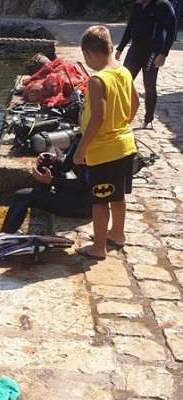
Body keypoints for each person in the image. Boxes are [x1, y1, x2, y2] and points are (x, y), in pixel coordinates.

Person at [74, 26, 139, 260]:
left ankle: (99, 247)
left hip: (104, 151)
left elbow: (98, 118)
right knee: (118, 195)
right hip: (125, 145)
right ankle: (117, 234)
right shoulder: (124, 71)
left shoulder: (97, 80)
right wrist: (122, 124)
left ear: (88, 54)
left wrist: (81, 148)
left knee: (100, 200)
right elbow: (136, 103)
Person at [0, 142, 90, 234]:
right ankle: (44, 194)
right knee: (50, 153)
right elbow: (66, 165)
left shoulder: (95, 145)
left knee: (21, 196)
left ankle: (4, 236)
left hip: (84, 204)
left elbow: (84, 185)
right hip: (77, 189)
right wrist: (52, 159)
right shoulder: (82, 137)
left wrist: (51, 181)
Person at [115, 0, 177, 129]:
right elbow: (130, 27)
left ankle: (148, 119)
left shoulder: (163, 5)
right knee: (123, 82)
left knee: (149, 85)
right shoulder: (137, 6)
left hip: (152, 52)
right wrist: (120, 48)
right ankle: (120, 116)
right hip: (135, 51)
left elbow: (172, 30)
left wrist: (163, 53)